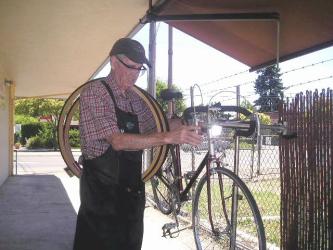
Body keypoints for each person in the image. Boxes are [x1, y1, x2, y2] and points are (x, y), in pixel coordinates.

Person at [73, 38, 201, 250]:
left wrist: (186, 123)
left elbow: (160, 124)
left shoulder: (136, 100)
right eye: (130, 67)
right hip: (101, 200)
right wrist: (167, 137)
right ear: (113, 62)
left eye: (139, 69)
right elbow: (117, 141)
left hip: (132, 196)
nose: (134, 74)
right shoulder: (95, 93)